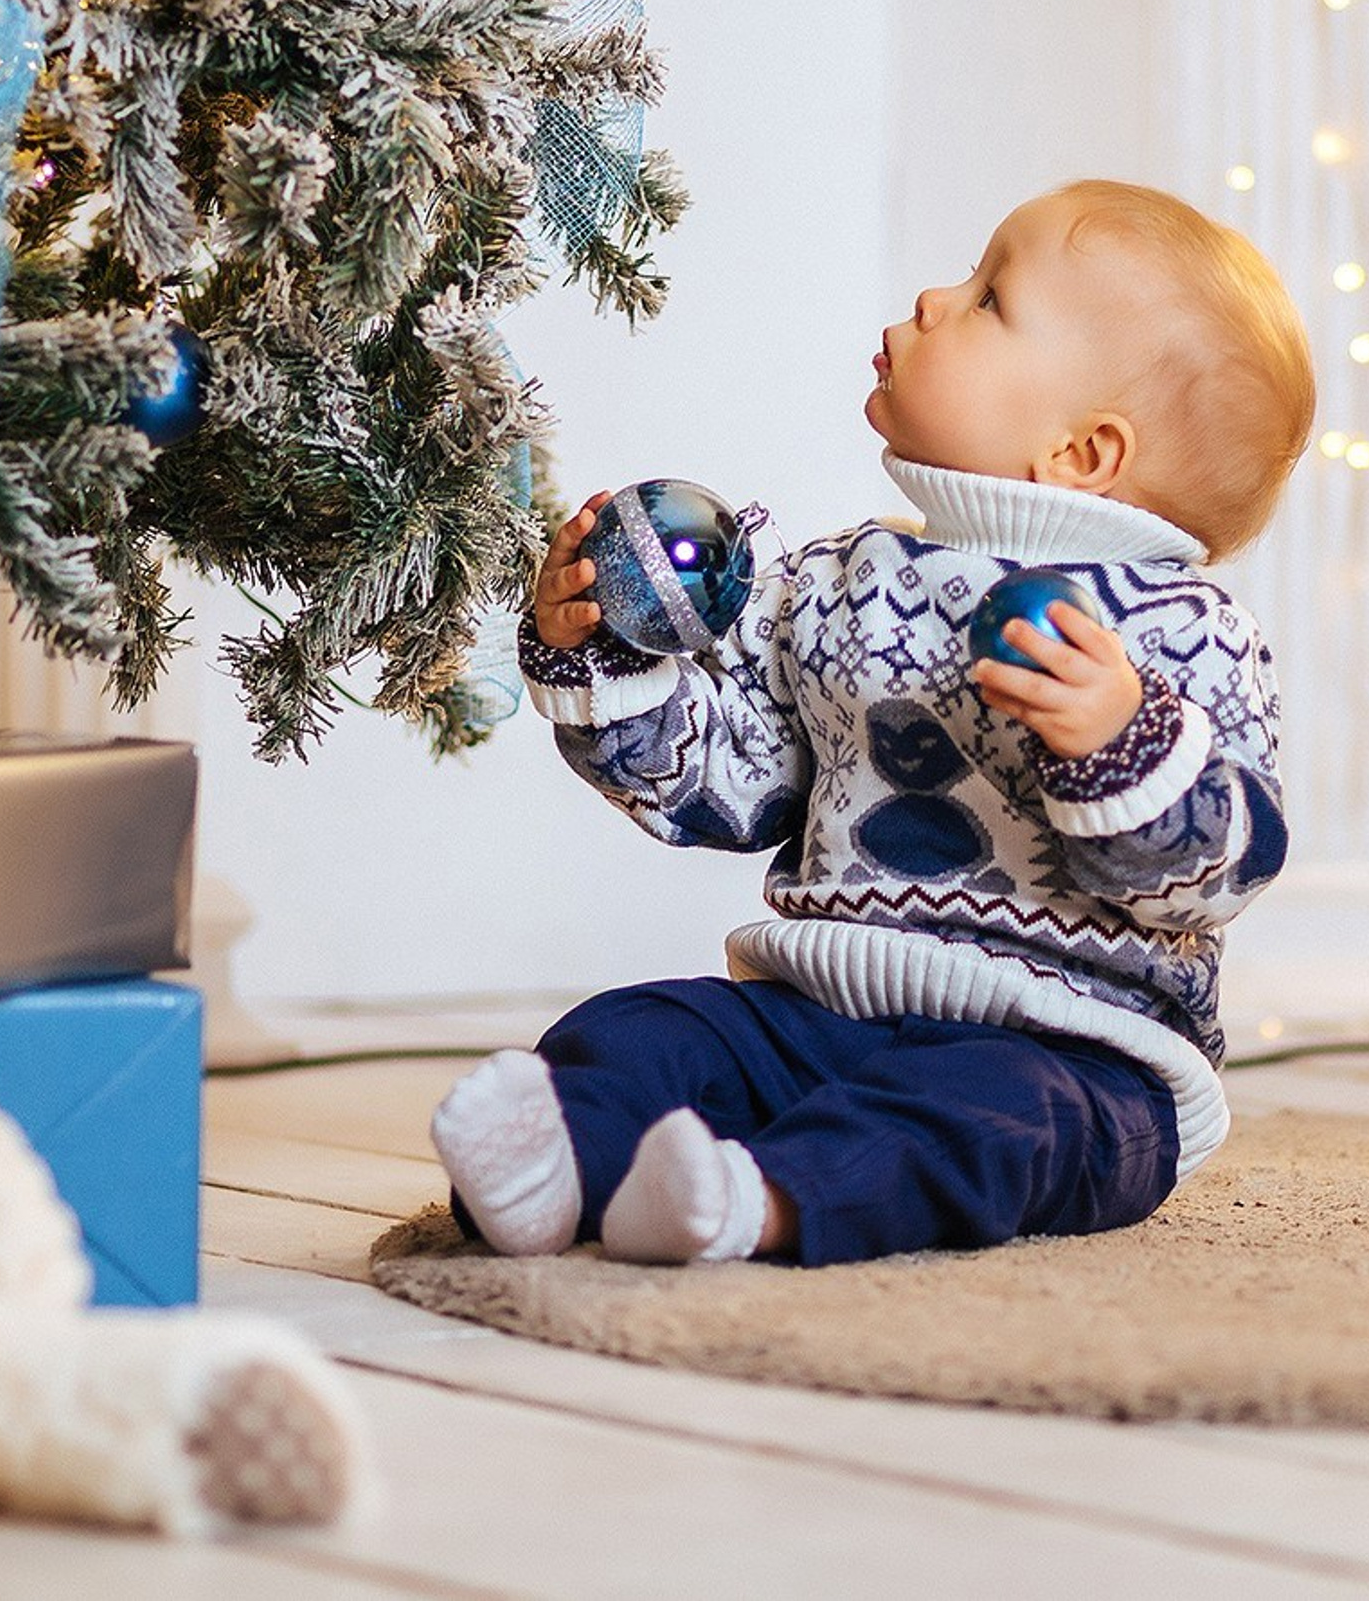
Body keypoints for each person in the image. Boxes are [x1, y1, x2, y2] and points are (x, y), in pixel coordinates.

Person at [431, 178, 1317, 1269]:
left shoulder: (1183, 633)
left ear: (1082, 453)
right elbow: (729, 785)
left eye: (990, 298)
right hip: (825, 1013)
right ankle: (560, 1166)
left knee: (988, 1122)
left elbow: (1227, 868)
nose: (936, 299)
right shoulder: (838, 583)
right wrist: (607, 656)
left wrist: (1120, 744)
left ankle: (763, 1200)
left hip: (1079, 1055)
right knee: (644, 1030)